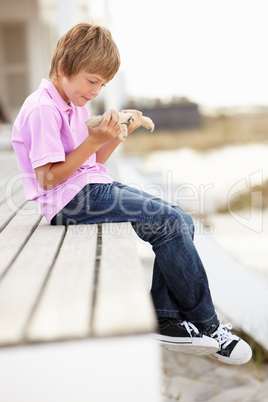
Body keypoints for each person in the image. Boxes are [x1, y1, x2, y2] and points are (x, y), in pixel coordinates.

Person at [12, 23, 252, 365]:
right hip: (67, 202)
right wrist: (95, 140)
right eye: (92, 80)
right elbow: (49, 178)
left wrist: (114, 135)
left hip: (90, 187)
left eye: (103, 84)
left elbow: (90, 162)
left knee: (179, 217)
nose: (96, 91)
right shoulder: (43, 109)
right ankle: (206, 324)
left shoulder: (72, 102)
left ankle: (167, 316)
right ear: (64, 68)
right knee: (167, 221)